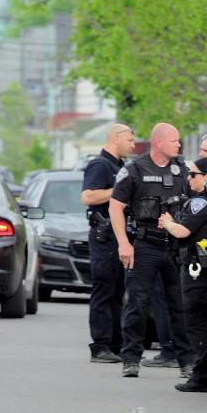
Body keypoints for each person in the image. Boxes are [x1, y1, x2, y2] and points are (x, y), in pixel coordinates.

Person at [109, 122, 195, 378]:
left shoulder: (183, 171)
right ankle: (131, 359)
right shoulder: (134, 169)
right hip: (146, 244)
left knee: (180, 305)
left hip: (176, 248)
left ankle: (186, 362)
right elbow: (116, 207)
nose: (178, 145)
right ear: (159, 142)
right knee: (137, 303)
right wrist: (124, 243)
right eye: (174, 140)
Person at [159, 157, 207, 392]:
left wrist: (168, 222)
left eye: (193, 174)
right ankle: (206, 374)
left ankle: (202, 377)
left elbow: (182, 231)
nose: (188, 178)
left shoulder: (202, 202)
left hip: (196, 268)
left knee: (197, 321)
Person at [81, 124, 136, 363]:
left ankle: (116, 344)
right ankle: (100, 346)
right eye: (130, 140)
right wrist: (119, 190)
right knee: (104, 290)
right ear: (116, 139)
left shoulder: (121, 166)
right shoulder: (100, 165)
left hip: (119, 236)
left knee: (117, 291)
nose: (133, 145)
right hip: (104, 237)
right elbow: (88, 196)